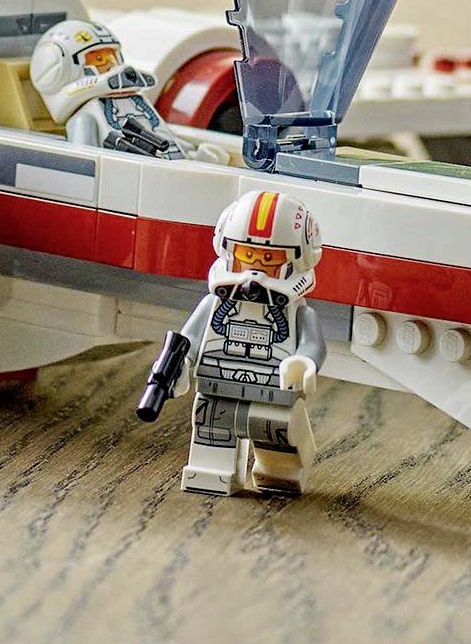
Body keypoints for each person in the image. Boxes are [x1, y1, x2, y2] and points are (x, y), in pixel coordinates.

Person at [137, 188, 329, 498]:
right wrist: (181, 365)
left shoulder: (296, 312)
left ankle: (280, 473)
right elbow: (191, 339)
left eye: (268, 258)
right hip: (217, 387)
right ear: (228, 251)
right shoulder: (214, 304)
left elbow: (312, 344)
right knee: (211, 428)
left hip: (272, 391)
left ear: (297, 259)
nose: (255, 268)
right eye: (246, 255)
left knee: (278, 435)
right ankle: (213, 472)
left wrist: (302, 363)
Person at [30, 19, 195, 157]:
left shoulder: (133, 100)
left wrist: (191, 152)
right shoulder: (84, 119)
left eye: (113, 57)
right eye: (100, 59)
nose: (111, 65)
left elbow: (162, 133)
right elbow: (83, 160)